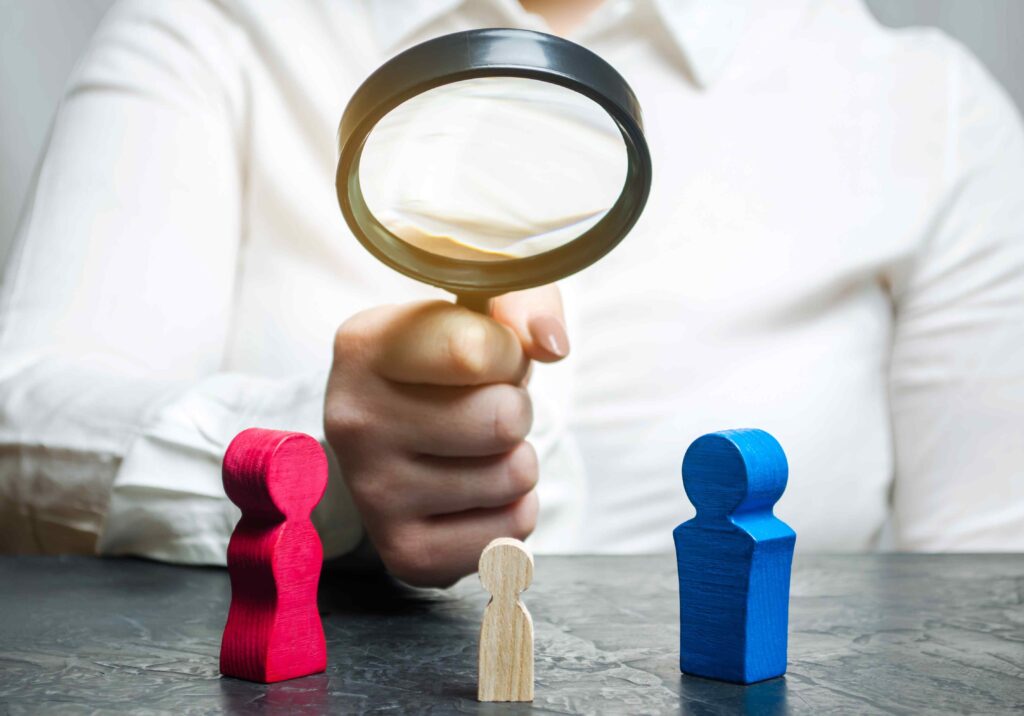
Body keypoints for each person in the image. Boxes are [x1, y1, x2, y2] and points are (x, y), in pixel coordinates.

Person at [1, 0, 1022, 587]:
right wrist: (308, 466)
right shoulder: (215, 24)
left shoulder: (924, 106)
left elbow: (981, 611)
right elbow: (21, 426)